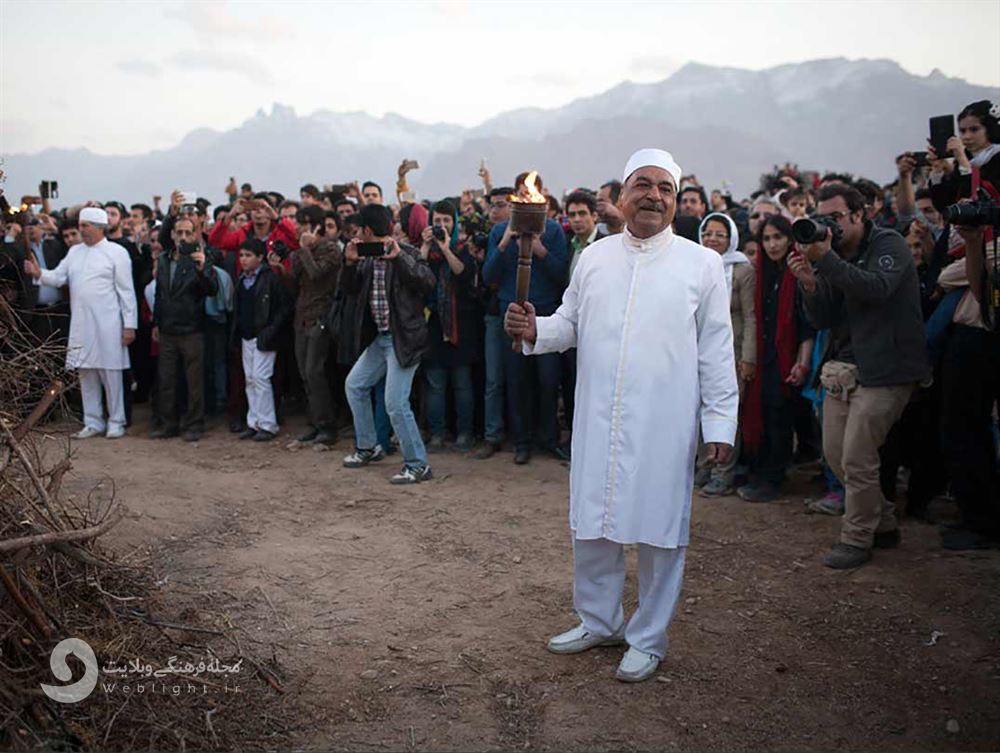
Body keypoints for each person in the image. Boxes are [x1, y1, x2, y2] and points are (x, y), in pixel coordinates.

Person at [504, 148, 738, 682]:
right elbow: (570, 323)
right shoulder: (595, 256)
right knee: (593, 524)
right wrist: (534, 328)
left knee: (659, 531)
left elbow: (716, 351)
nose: (653, 195)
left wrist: (720, 423)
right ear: (623, 194)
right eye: (643, 185)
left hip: (666, 420)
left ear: (676, 202)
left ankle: (648, 637)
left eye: (665, 188)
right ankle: (599, 620)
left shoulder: (701, 264)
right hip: (597, 416)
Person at [789, 183, 929, 569]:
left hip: (889, 368)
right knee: (835, 456)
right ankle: (882, 521)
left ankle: (856, 538)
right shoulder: (832, 256)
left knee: (857, 456)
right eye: (823, 219)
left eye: (835, 218)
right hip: (844, 367)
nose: (828, 227)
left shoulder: (890, 245)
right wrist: (810, 283)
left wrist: (827, 260)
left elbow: (877, 289)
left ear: (859, 214)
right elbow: (824, 318)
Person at [340, 204, 437, 484]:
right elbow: (348, 290)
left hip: (404, 339)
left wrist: (398, 259)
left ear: (368, 230)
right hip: (380, 339)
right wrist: (348, 263)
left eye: (359, 230)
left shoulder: (405, 253)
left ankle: (418, 464)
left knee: (395, 402)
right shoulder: (365, 258)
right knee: (355, 385)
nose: (357, 235)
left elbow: (428, 284)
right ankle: (367, 447)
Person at [23, 207, 137, 439]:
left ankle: (116, 420)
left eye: (86, 226)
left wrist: (129, 325)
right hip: (82, 324)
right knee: (86, 372)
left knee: (111, 373)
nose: (82, 230)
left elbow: (127, 293)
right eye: (81, 225)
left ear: (99, 227)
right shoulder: (75, 253)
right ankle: (92, 421)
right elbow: (58, 277)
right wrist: (39, 273)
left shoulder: (116, 253)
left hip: (109, 324)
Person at [483, 172, 570, 465]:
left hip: (546, 315)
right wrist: (507, 240)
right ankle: (522, 442)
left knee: (547, 381)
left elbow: (562, 276)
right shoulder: (499, 233)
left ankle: (548, 438)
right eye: (520, 194)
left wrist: (539, 250)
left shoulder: (555, 231)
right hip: (513, 317)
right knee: (516, 381)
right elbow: (488, 276)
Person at [738, 216, 814, 502]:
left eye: (778, 237)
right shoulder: (764, 274)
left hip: (788, 358)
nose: (772, 244)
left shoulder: (799, 271)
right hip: (766, 354)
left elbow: (807, 325)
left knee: (780, 416)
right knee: (764, 413)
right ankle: (760, 472)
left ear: (790, 239)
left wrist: (802, 362)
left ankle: (773, 478)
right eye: (766, 239)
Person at [694, 212, 755, 497]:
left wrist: (748, 357)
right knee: (698, 410)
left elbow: (752, 317)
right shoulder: (696, 266)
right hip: (699, 349)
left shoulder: (742, 270)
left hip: (734, 351)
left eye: (720, 234)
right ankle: (704, 464)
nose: (712, 239)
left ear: (731, 238)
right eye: (708, 233)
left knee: (727, 411)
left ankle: (723, 472)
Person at [149, 217, 219, 441]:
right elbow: (159, 295)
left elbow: (211, 290)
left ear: (195, 235)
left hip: (192, 330)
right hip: (168, 330)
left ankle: (194, 424)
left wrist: (201, 269)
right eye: (179, 233)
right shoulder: (164, 260)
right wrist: (156, 324)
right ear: (172, 235)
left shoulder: (200, 260)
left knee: (194, 382)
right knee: (166, 380)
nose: (183, 238)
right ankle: (168, 423)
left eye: (188, 233)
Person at [421, 200, 481, 452]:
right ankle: (436, 433)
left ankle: (464, 433)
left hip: (461, 326)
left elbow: (462, 272)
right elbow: (416, 273)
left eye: (446, 221)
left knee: (461, 383)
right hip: (434, 326)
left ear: (454, 223)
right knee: (435, 384)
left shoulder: (461, 248)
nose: (442, 225)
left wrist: (446, 249)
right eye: (437, 221)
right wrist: (425, 246)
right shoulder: (427, 252)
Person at [231, 238, 291, 442]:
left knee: (260, 378)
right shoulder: (242, 279)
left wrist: (270, 330)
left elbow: (283, 308)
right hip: (246, 335)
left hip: (264, 336)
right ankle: (254, 422)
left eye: (248, 255)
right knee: (250, 379)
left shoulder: (270, 279)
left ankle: (267, 424)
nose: (244, 260)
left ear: (260, 257)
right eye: (241, 255)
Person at [291, 208, 342, 446]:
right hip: (301, 318)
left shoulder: (331, 249)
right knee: (304, 374)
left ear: (314, 226)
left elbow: (316, 274)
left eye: (301, 224)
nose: (297, 228)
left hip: (320, 317)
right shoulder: (301, 250)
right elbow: (294, 280)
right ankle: (314, 422)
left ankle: (327, 426)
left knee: (315, 372)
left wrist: (305, 250)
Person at [474, 187, 515, 459]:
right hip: (494, 313)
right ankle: (492, 434)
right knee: (493, 379)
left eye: (500, 205)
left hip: (525, 313)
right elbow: (488, 275)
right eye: (492, 206)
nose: (494, 211)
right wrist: (502, 244)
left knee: (520, 378)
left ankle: (521, 433)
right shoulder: (496, 236)